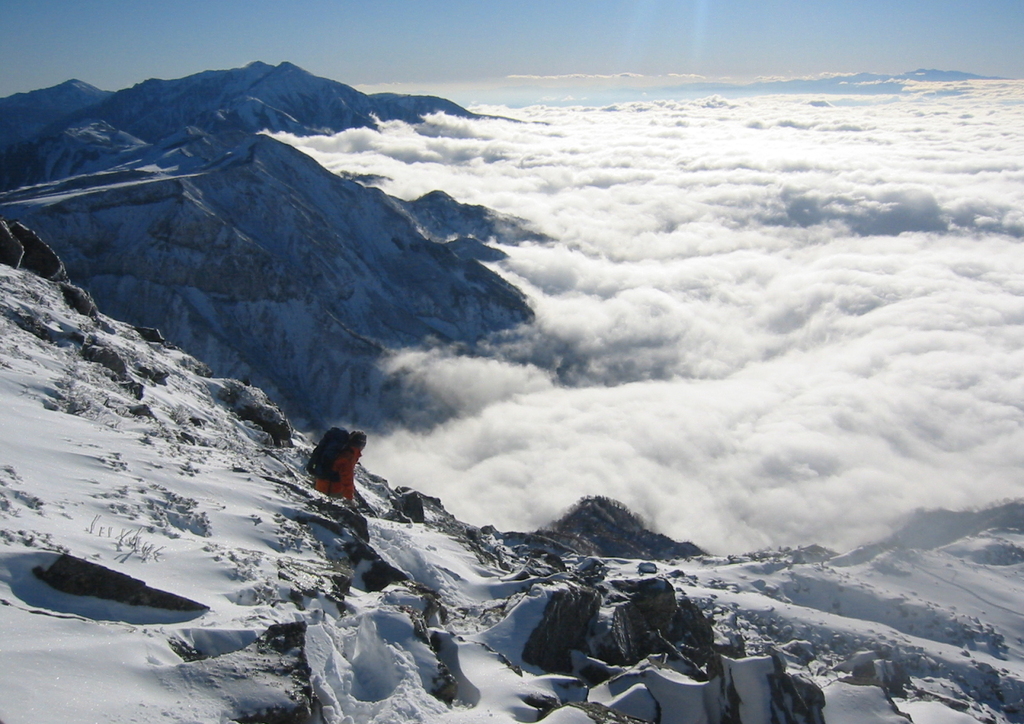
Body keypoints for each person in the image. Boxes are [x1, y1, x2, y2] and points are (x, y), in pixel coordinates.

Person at [314, 430, 367, 501]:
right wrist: (349, 499)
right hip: (331, 490)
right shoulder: (348, 457)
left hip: (321, 485)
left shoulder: (343, 451)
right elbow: (347, 480)